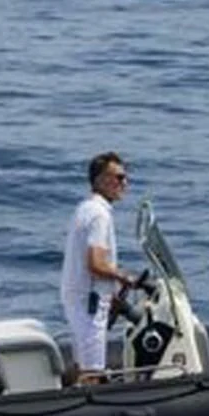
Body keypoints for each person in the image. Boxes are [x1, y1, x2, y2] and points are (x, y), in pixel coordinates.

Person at [60, 151, 135, 383]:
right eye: (118, 177)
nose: (124, 183)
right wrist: (123, 277)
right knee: (93, 369)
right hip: (90, 301)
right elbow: (95, 263)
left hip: (78, 296)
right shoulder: (100, 215)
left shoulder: (85, 208)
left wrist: (112, 291)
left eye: (125, 178)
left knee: (81, 360)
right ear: (100, 180)